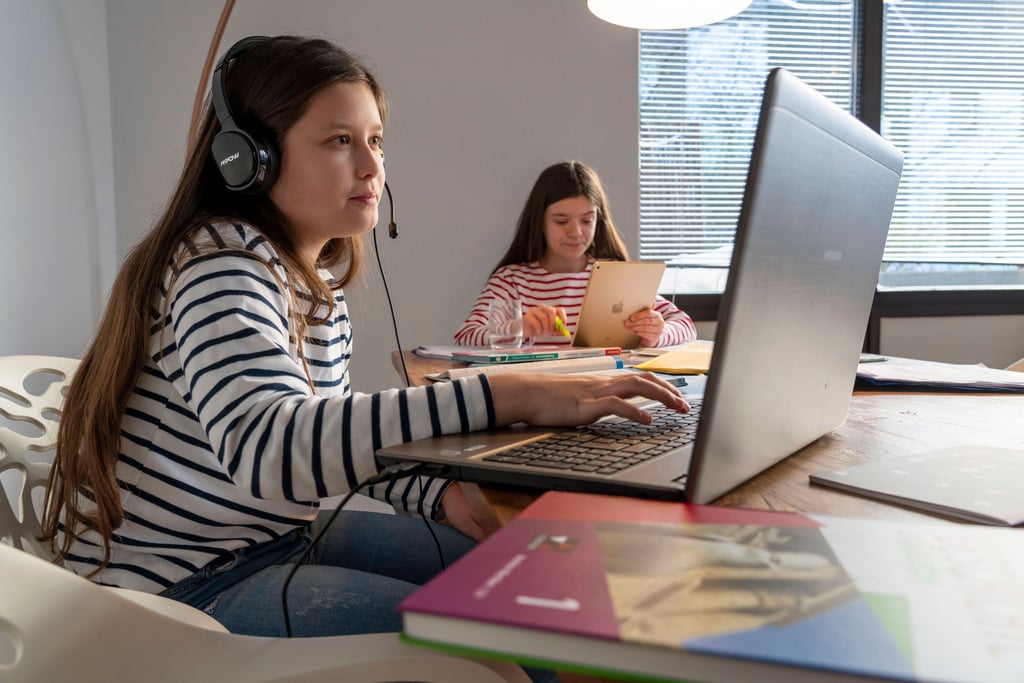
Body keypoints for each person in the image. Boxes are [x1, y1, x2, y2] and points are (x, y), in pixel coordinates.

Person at [40, 34, 687, 651]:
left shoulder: (313, 283)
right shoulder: (221, 266)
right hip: (179, 588)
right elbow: (269, 447)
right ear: (250, 158)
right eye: (340, 140)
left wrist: (435, 495)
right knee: (511, 631)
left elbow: (335, 437)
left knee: (516, 580)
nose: (373, 165)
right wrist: (506, 394)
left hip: (270, 540)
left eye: (376, 140)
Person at [453, 160, 698, 348]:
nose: (576, 232)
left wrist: (657, 333)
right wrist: (520, 328)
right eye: (561, 221)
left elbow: (686, 326)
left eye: (587, 220)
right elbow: (465, 336)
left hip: (607, 389)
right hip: (539, 393)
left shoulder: (615, 276)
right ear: (539, 221)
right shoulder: (512, 280)